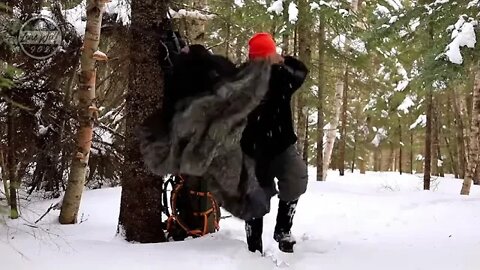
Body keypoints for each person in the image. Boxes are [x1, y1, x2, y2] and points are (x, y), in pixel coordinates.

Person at [240, 32, 309, 254]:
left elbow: (301, 71)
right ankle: (253, 247)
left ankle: (283, 229)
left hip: (282, 144)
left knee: (296, 178)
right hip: (253, 150)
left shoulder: (281, 76)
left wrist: (282, 59)